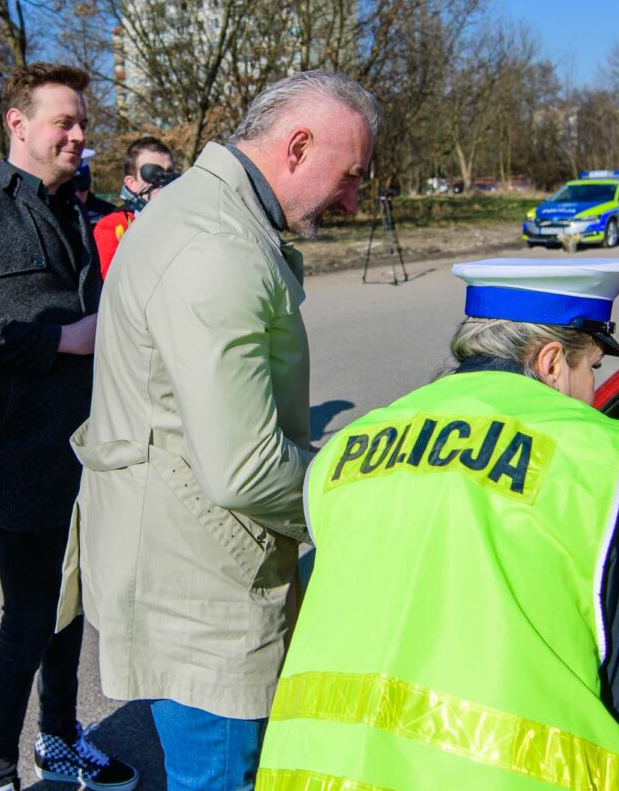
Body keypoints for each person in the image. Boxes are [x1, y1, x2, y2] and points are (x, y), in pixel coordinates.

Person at [256, 257, 619, 790]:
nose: (594, 392)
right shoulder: (598, 456)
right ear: (552, 363)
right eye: (593, 368)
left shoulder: (348, 448)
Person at [64, 70, 379, 791]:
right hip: (206, 595)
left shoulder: (202, 216)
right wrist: (361, 505)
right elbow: (244, 467)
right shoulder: (217, 246)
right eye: (350, 174)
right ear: (298, 146)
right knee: (218, 778)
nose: (353, 200)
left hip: (188, 562)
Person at [0, 63, 136, 791]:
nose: (79, 136)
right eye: (63, 123)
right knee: (31, 615)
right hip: (14, 452)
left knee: (72, 608)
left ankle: (59, 737)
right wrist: (59, 340)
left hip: (92, 449)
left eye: (83, 124)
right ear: (18, 123)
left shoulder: (92, 212)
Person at [92, 136, 177, 278]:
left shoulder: (182, 221)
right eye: (153, 174)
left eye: (170, 172)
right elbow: (112, 281)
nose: (165, 181)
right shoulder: (113, 226)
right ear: (131, 183)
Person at [73, 148, 121, 226]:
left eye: (83, 185)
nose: (77, 193)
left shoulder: (110, 215)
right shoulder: (49, 215)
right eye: (71, 187)